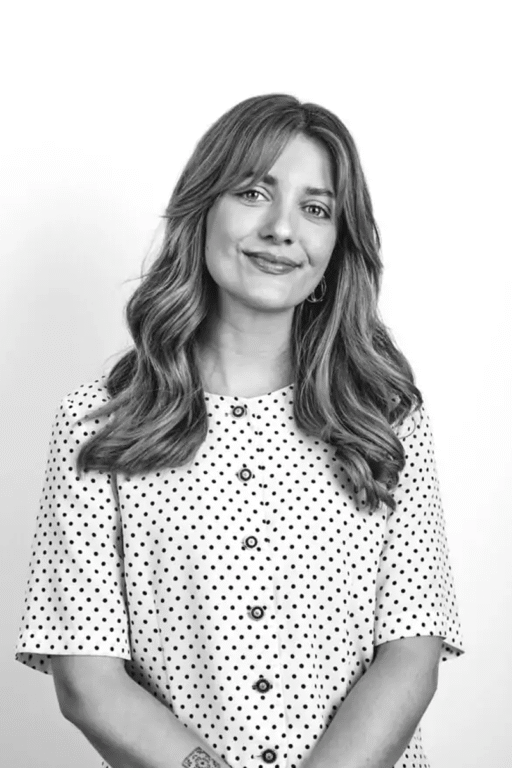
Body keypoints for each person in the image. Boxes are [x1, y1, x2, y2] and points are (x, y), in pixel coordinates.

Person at [15, 93, 465, 768]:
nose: (282, 228)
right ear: (203, 210)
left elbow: (411, 656)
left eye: (316, 209)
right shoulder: (100, 424)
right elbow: (87, 680)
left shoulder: (387, 416)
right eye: (254, 193)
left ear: (335, 245)